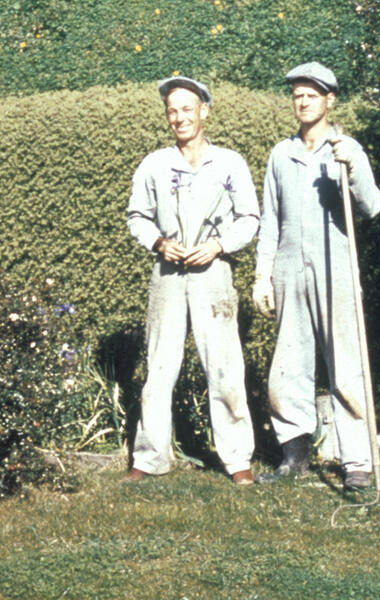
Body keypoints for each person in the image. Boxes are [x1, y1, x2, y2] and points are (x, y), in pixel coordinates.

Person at [252, 62, 380, 491]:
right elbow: (269, 221)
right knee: (288, 366)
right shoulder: (280, 154)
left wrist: (354, 170)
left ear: (330, 100)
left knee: (346, 366)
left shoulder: (347, 149)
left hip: (335, 270)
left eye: (312, 94)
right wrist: (261, 276)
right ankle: (294, 456)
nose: (303, 101)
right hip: (290, 271)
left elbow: (372, 207)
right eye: (297, 95)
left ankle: (357, 463)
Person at [125, 76, 259, 485]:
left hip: (212, 274)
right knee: (160, 367)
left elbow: (249, 218)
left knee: (223, 366)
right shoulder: (154, 164)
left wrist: (218, 246)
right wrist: (159, 243)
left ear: (204, 110)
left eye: (187, 109)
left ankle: (237, 460)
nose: (179, 117)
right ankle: (148, 458)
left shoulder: (229, 163)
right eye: (172, 111)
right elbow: (137, 217)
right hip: (168, 275)